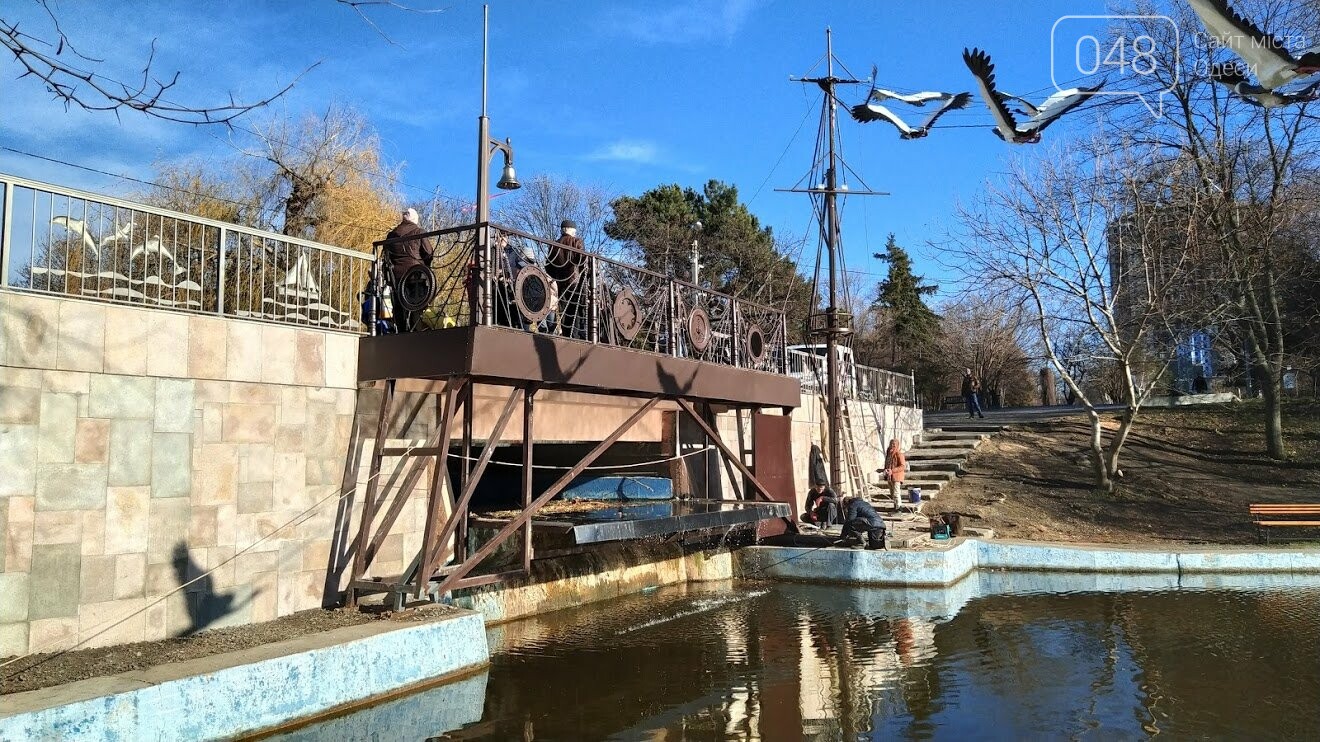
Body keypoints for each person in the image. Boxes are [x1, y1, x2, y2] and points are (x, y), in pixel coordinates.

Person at [383, 208, 434, 332]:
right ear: (415, 220)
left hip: (397, 278)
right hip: (415, 276)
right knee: (417, 306)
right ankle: (416, 332)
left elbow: (386, 256)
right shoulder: (418, 231)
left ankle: (401, 332)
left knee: (399, 307)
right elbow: (429, 252)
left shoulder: (391, 235)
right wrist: (425, 266)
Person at [545, 219, 589, 339]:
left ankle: (566, 335)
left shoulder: (554, 245)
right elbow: (582, 260)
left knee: (563, 310)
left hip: (560, 282)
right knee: (575, 310)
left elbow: (548, 266)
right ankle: (574, 337)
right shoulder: (576, 242)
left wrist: (555, 278)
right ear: (572, 230)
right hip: (574, 281)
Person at [882, 438, 907, 510]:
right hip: (890, 477)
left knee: (896, 493)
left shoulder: (899, 454)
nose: (892, 445)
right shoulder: (888, 454)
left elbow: (902, 466)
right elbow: (888, 465)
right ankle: (895, 507)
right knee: (892, 494)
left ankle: (899, 508)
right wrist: (883, 470)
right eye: (891, 444)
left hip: (897, 477)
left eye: (894, 444)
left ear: (897, 445)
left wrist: (892, 471)